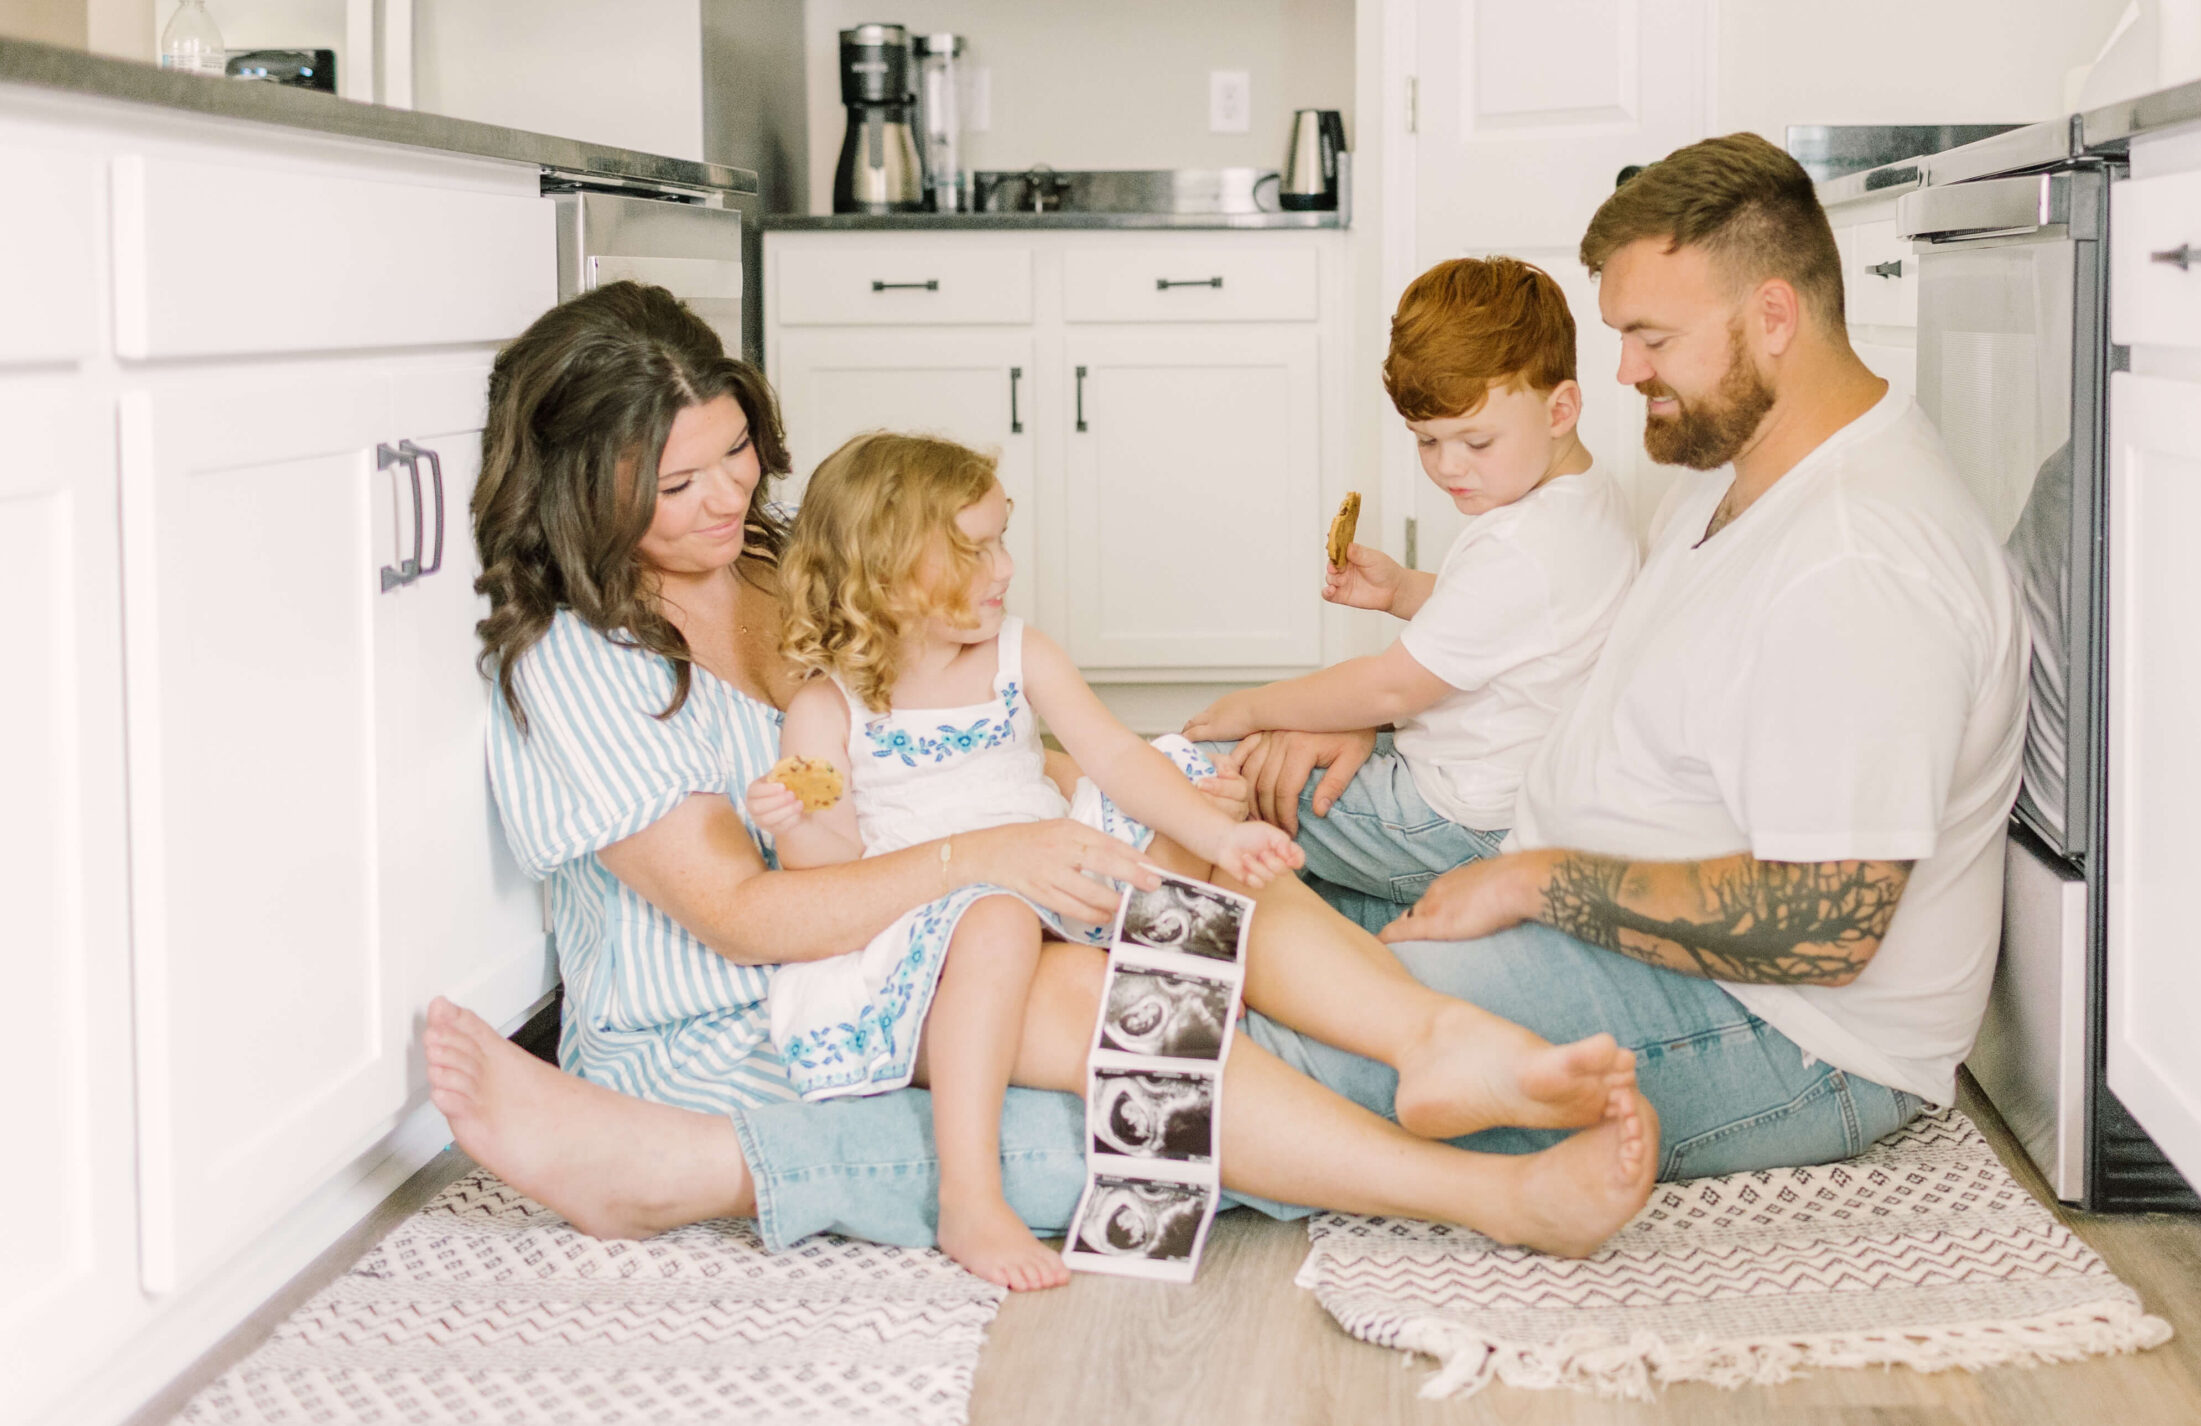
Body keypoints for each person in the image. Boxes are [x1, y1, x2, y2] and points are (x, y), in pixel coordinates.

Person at [425, 282, 1659, 1267]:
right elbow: (747, 917)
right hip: (746, 1007)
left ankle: (1434, 1036)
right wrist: (992, 856)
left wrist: (1131, 795)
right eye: (676, 482)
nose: (724, 497)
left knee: (1183, 879)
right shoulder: (574, 663)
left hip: (937, 920)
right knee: (1132, 1018)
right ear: (579, 488)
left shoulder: (782, 560)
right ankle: (1487, 1195)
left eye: (737, 453)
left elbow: (964, 735)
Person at [1232, 132, 2031, 1175]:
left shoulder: (1857, 563)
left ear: (1773, 316)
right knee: (1208, 924)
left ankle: (957, 1159)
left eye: (1650, 335)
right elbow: (1571, 652)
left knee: (1235, 1059)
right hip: (1596, 907)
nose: (1622, 370)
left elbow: (1824, 927)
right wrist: (1368, 713)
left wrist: (1535, 881)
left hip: (1781, 1028)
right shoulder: (1728, 460)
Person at [746, 430, 1630, 1288]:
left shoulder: (1017, 652)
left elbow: (1117, 761)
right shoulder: (831, 710)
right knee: (996, 919)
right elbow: (831, 870)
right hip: (951, 920)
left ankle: (1430, 1037)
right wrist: (796, 820)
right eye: (975, 550)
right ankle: (970, 1192)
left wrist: (1217, 837)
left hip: (1058, 863)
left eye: (1001, 537)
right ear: (885, 574)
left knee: (1178, 784)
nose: (1006, 567)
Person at [1184, 257, 1639, 917]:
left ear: (1560, 408)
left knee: (1206, 774)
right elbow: (1521, 631)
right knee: (1280, 792)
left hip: (1455, 821)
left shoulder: (1522, 546)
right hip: (1501, 794)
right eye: (1426, 440)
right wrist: (1402, 591)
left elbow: (1391, 687)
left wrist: (1256, 707)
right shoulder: (1583, 501)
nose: (1448, 466)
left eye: (1475, 441)